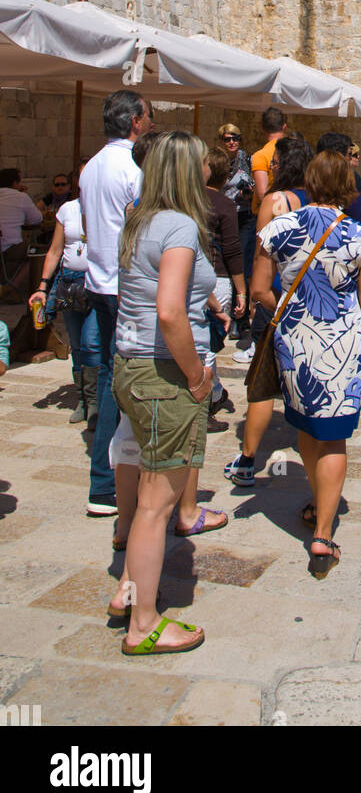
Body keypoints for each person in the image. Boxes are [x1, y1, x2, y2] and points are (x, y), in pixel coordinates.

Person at [111, 130, 225, 655]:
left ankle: (128, 591)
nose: (211, 169)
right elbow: (170, 311)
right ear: (185, 170)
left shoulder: (139, 222)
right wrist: (197, 373)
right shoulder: (178, 226)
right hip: (164, 373)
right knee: (158, 504)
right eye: (204, 162)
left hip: (132, 365)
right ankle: (144, 623)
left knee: (145, 496)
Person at [253, 149, 361, 577]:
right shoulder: (360, 235)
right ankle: (323, 533)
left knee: (306, 423)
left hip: (296, 342)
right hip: (343, 343)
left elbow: (259, 290)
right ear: (347, 183)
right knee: (334, 434)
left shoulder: (278, 227)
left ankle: (316, 500)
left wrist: (288, 316)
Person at [78, 91, 153, 517]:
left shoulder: (91, 167)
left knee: (112, 374)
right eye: (149, 116)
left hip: (99, 282)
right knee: (123, 382)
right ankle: (107, 483)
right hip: (125, 287)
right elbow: (141, 228)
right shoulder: (131, 167)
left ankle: (112, 476)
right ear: (135, 122)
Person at [224, 136, 314, 484]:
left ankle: (248, 459)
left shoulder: (276, 200)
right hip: (307, 302)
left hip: (275, 300)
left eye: (275, 161)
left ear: (284, 164)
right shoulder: (315, 200)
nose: (271, 166)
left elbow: (265, 255)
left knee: (262, 384)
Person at [28, 183, 101, 424]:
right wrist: (42, 286)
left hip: (96, 283)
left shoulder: (106, 208)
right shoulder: (67, 210)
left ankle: (95, 402)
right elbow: (55, 250)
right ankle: (83, 399)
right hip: (70, 282)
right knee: (77, 343)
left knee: (92, 342)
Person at [204, 147, 247, 418]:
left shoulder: (186, 199)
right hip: (218, 276)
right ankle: (208, 400)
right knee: (209, 344)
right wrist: (242, 290)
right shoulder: (224, 204)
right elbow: (232, 249)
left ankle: (214, 391)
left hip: (191, 276)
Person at [218, 124, 255, 346]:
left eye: (236, 138)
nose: (232, 142)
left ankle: (240, 321)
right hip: (224, 215)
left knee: (239, 263)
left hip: (243, 216)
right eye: (227, 138)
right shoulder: (216, 161)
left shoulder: (247, 160)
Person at [0, 167, 43, 294]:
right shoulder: (21, 197)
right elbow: (37, 219)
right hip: (10, 247)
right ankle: (12, 288)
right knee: (37, 253)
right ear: (15, 183)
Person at [250, 108, 290, 211]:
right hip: (293, 209)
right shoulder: (294, 151)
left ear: (262, 129)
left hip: (268, 214)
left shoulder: (260, 156)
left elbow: (262, 195)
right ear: (284, 127)